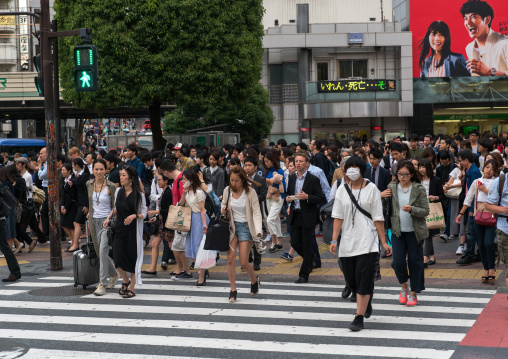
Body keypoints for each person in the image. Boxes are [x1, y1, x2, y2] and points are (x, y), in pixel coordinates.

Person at [329, 156, 391, 331]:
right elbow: (338, 216)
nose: (352, 170)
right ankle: (366, 299)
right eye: (349, 167)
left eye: (356, 167)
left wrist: (383, 242)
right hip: (348, 241)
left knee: (364, 278)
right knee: (351, 279)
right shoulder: (342, 189)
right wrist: (334, 239)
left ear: (362, 169)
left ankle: (358, 317)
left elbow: (378, 217)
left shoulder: (372, 188)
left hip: (368, 241)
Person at [387, 160, 429, 307]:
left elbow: (426, 211)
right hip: (397, 231)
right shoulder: (391, 187)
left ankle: (413, 293)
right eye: (399, 174)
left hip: (414, 232)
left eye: (405, 174)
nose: (402, 177)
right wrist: (381, 196)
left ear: (412, 174)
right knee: (397, 262)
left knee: (415, 263)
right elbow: (384, 208)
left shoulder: (418, 189)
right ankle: (404, 286)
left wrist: (412, 209)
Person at [104, 165, 147, 299]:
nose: (120, 177)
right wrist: (109, 217)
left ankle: (132, 286)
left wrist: (135, 216)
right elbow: (116, 208)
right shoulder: (118, 192)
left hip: (133, 231)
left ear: (131, 178)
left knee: (132, 259)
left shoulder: (139, 195)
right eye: (120, 175)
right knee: (117, 257)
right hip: (120, 228)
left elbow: (144, 213)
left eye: (123, 175)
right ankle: (125, 279)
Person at [222, 167, 264, 302]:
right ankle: (233, 289)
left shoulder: (250, 192)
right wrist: (224, 209)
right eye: (231, 180)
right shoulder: (227, 190)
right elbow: (223, 205)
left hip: (246, 227)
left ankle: (254, 280)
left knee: (244, 261)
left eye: (236, 181)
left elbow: (257, 212)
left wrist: (258, 230)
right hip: (232, 227)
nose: (233, 183)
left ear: (243, 180)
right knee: (230, 259)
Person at [286, 151, 326, 283]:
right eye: (296, 161)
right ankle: (311, 257)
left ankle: (303, 274)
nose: (298, 163)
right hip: (295, 214)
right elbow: (289, 194)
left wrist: (307, 196)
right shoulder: (292, 178)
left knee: (307, 244)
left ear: (307, 163)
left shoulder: (313, 179)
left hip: (308, 216)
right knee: (295, 242)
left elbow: (321, 197)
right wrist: (288, 200)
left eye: (300, 161)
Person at [458, 159, 498, 283]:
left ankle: (492, 267)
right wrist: (461, 213)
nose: (489, 170)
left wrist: (486, 191)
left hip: (491, 216)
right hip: (478, 216)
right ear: (483, 168)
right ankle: (486, 268)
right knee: (480, 244)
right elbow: (468, 198)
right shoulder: (477, 181)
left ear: (495, 171)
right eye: (487, 167)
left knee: (488, 243)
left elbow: (498, 199)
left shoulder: (497, 182)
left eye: (492, 168)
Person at [86, 159, 119, 296]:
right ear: (92, 170)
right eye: (96, 169)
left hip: (107, 222)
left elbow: (115, 206)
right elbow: (90, 203)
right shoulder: (88, 184)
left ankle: (102, 284)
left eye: (101, 169)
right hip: (94, 222)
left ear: (106, 170)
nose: (98, 172)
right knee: (100, 253)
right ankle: (114, 274)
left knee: (103, 251)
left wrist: (112, 221)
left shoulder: (112, 186)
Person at [159, 159, 192, 280]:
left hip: (180, 215)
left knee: (179, 245)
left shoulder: (180, 180)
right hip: (178, 214)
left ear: (166, 172)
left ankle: (186, 270)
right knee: (178, 245)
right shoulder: (178, 179)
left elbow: (185, 199)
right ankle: (183, 269)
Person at [460, 0, 508, 76]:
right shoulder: (469, 48)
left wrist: (490, 72)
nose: (468, 23)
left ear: (487, 20)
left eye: (473, 17)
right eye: (466, 18)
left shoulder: (505, 44)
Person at [178, 168, 209, 286]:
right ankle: (203, 270)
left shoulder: (199, 192)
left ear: (190, 180)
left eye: (184, 179)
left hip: (199, 220)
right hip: (191, 219)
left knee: (198, 248)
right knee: (191, 248)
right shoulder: (188, 191)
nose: (182, 181)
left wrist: (204, 224)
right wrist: (184, 193)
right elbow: (181, 204)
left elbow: (202, 210)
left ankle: (202, 275)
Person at [142, 174, 173, 275]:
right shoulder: (164, 192)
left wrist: (156, 213)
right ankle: (153, 268)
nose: (158, 182)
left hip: (167, 223)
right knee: (155, 244)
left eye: (160, 180)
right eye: (157, 180)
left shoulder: (168, 193)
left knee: (173, 247)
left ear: (166, 181)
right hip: (161, 222)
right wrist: (157, 217)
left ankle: (183, 268)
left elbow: (169, 209)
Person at [456, 150, 482, 266]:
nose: (460, 162)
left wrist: (472, 209)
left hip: (473, 207)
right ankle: (478, 253)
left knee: (471, 232)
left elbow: (475, 193)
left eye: (461, 160)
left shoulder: (474, 172)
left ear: (466, 160)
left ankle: (470, 255)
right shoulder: (469, 171)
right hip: (471, 206)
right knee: (474, 232)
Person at [418, 159, 444, 268]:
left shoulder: (436, 180)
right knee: (426, 233)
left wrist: (435, 197)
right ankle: (432, 256)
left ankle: (424, 259)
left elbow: (442, 196)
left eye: (423, 167)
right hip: (419, 210)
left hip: (431, 210)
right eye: (419, 167)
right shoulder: (416, 180)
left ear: (428, 168)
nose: (421, 169)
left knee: (427, 234)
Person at [243, 156, 268, 271]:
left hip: (256, 212)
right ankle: (247, 259)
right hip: (243, 213)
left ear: (255, 167)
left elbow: (263, 195)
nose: (247, 168)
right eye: (245, 165)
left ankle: (257, 262)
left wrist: (251, 199)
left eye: (249, 165)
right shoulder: (242, 178)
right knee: (245, 237)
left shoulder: (260, 179)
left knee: (257, 238)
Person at [0, 167, 21, 282]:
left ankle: (15, 271)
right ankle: (15, 271)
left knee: (5, 247)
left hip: (0, 219)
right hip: (2, 218)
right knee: (4, 247)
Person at [264, 151, 286, 252]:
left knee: (270, 219)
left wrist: (271, 182)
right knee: (275, 219)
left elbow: (283, 186)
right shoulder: (267, 171)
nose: (266, 163)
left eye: (268, 161)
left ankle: (273, 242)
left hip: (278, 197)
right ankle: (279, 243)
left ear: (273, 160)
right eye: (265, 161)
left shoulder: (280, 171)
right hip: (269, 197)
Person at [68, 158, 90, 252]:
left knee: (76, 223)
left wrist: (86, 205)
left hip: (83, 204)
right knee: (78, 223)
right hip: (80, 203)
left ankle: (76, 244)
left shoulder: (84, 176)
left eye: (73, 165)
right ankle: (76, 243)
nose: (73, 167)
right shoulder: (79, 176)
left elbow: (86, 191)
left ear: (76, 165)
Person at [436, 150, 457, 241]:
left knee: (449, 214)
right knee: (445, 213)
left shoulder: (453, 166)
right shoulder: (439, 169)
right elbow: (437, 180)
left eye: (446, 159)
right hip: (443, 193)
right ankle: (452, 232)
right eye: (442, 159)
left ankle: (446, 233)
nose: (444, 161)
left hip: (452, 193)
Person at [59, 163, 78, 246]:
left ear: (69, 171)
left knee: (70, 225)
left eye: (64, 170)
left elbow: (71, 196)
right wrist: (62, 206)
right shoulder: (65, 181)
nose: (62, 172)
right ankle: (74, 241)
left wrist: (66, 207)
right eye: (62, 170)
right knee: (64, 224)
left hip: (72, 206)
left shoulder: (73, 181)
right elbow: (63, 195)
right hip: (66, 205)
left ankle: (74, 242)